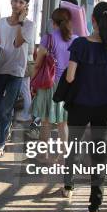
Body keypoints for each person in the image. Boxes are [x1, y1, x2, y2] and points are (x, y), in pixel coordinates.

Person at [63, 2, 107, 212]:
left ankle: (69, 186)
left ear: (92, 20)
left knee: (74, 146)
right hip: (104, 108)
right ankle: (94, 207)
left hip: (79, 105)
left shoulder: (80, 44)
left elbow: (69, 77)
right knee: (99, 157)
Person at [0, 0, 35, 158]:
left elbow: (17, 43)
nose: (17, 4)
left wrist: (21, 22)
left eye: (21, 2)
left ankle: (0, 143)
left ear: (26, 6)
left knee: (7, 108)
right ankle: (7, 125)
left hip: (16, 72)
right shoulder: (1, 22)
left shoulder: (29, 25)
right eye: (15, 1)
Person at [31, 8, 76, 149]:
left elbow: (37, 64)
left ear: (53, 21)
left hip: (49, 84)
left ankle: (43, 154)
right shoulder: (76, 40)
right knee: (63, 123)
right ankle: (63, 156)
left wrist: (32, 83)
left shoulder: (48, 38)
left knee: (46, 121)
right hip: (68, 85)